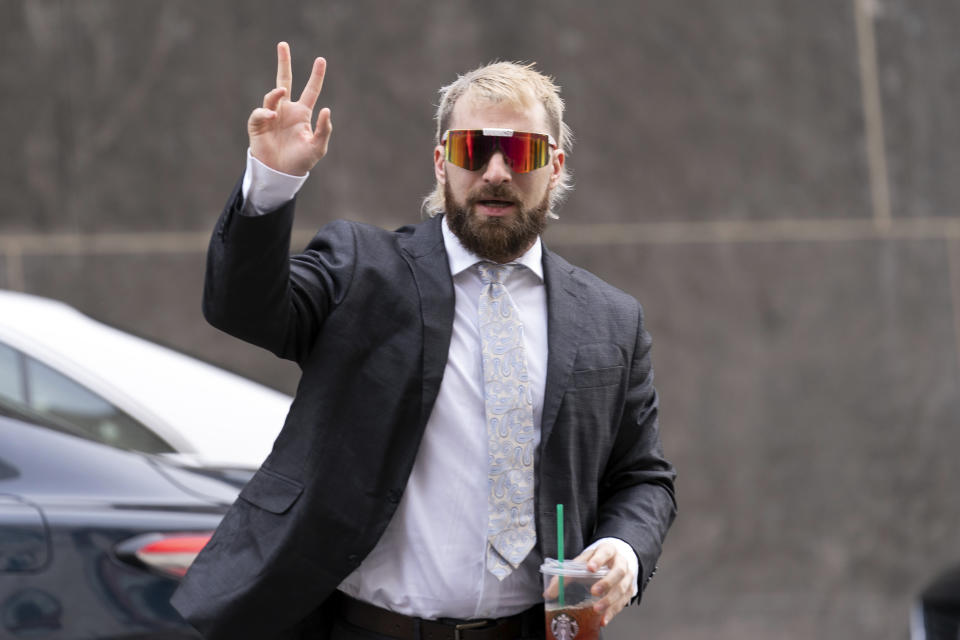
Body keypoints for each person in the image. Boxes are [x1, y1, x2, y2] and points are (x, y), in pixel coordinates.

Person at [171, 42, 677, 640]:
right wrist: (272, 182)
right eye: (473, 150)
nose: (495, 172)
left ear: (555, 167)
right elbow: (243, 308)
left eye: (519, 151)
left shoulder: (610, 320)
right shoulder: (362, 269)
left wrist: (623, 547)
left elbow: (643, 477)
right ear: (442, 163)